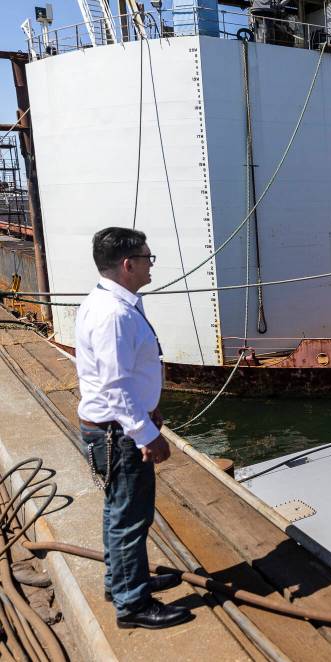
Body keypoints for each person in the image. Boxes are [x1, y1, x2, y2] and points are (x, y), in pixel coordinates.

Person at [75, 227, 190, 630]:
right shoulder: (114, 315)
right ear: (128, 265)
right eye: (146, 258)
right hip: (118, 434)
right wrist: (147, 435)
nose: (149, 264)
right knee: (130, 518)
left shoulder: (113, 304)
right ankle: (133, 606)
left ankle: (124, 581)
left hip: (113, 426)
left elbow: (123, 378)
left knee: (118, 512)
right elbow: (116, 385)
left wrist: (149, 410)